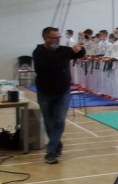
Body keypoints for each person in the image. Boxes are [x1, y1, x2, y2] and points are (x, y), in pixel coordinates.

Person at [32, 27, 86, 163]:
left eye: (59, 37)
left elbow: (79, 54)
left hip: (63, 92)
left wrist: (81, 44)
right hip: (45, 92)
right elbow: (48, 63)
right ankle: (56, 144)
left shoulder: (63, 50)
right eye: (55, 38)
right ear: (46, 38)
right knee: (49, 122)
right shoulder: (39, 52)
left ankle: (51, 152)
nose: (58, 40)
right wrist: (70, 52)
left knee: (59, 120)